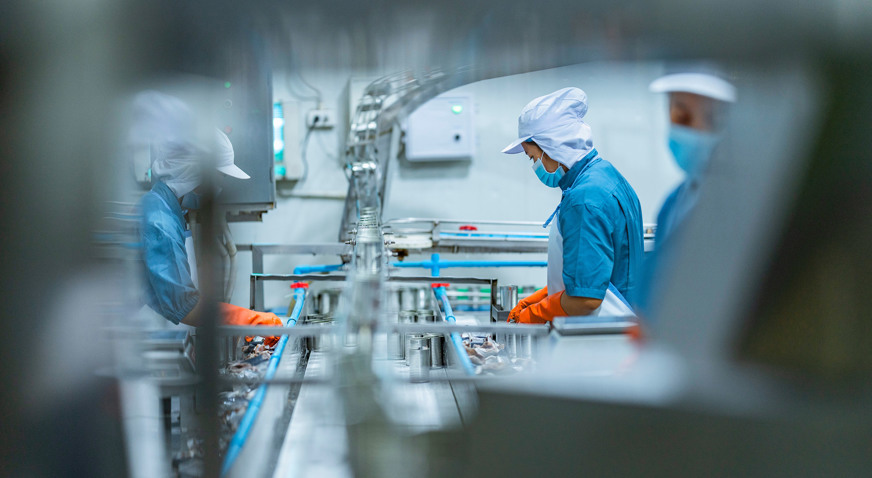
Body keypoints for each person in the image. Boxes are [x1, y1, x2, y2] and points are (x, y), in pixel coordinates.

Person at [136, 92, 283, 335]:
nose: (219, 188)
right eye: (218, 178)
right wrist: (250, 320)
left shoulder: (168, 209)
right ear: (193, 173)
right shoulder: (160, 221)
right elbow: (184, 307)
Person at [503, 87, 643, 323]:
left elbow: (584, 301)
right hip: (622, 324)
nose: (535, 165)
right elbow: (596, 273)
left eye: (532, 157)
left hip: (601, 338)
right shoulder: (606, 176)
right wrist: (545, 296)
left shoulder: (584, 199)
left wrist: (533, 315)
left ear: (551, 146)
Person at [634, 72, 736, 318]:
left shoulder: (738, 205)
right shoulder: (676, 200)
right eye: (673, 115)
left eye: (683, 117)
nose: (676, 128)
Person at [649, 72, 736, 243]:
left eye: (713, 120)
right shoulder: (674, 201)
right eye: (681, 118)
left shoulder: (742, 204)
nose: (695, 130)